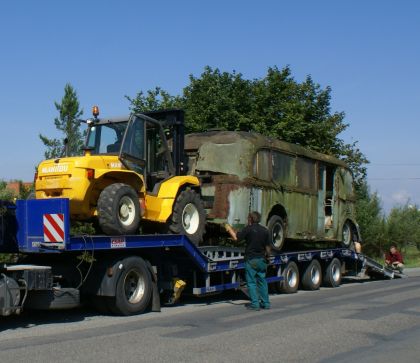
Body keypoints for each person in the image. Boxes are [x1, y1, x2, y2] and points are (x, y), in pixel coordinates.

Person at [225, 211, 271, 311]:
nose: (247, 219)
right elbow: (268, 247)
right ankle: (266, 303)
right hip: (262, 260)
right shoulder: (265, 230)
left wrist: (229, 229)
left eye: (247, 218)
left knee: (251, 283)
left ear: (250, 219)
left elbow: (237, 238)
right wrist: (268, 258)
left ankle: (255, 304)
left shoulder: (248, 229)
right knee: (262, 281)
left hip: (251, 259)